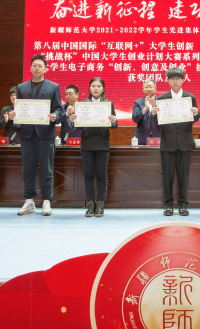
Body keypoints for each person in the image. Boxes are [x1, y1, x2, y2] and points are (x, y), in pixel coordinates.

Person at [8, 54, 62, 216]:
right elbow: (20, 107)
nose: (37, 68)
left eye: (40, 66)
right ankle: (29, 201)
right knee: (28, 168)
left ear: (46, 69)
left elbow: (58, 108)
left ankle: (46, 200)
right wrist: (14, 114)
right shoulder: (22, 87)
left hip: (46, 133)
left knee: (47, 169)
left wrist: (55, 116)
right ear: (30, 68)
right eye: (34, 65)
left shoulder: (53, 87)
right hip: (27, 133)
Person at [151, 67, 199, 216]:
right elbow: (157, 123)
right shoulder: (162, 98)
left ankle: (183, 204)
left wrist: (196, 113)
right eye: (172, 78)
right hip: (168, 142)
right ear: (168, 80)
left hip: (185, 141)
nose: (175, 81)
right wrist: (154, 114)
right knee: (168, 175)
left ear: (183, 79)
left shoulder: (190, 97)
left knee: (184, 175)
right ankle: (168, 204)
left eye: (178, 78)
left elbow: (195, 119)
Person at [69, 78, 118, 217]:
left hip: (103, 144)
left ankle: (100, 203)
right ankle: (90, 204)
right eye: (93, 86)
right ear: (89, 88)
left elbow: (114, 125)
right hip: (87, 144)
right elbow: (76, 126)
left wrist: (114, 121)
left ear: (103, 89)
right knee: (88, 175)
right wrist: (73, 121)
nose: (96, 88)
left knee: (102, 175)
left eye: (99, 86)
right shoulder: (82, 104)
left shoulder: (108, 104)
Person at [132, 79, 161, 145]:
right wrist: (145, 109)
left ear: (155, 89)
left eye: (150, 87)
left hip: (157, 137)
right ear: (143, 89)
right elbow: (135, 119)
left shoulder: (160, 101)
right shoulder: (138, 102)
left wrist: (154, 107)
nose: (148, 89)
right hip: (142, 137)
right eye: (146, 87)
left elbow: (164, 119)